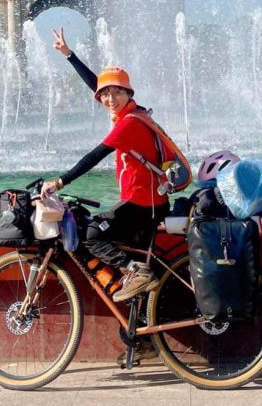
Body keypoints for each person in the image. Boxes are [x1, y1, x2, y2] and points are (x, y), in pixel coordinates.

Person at [41, 27, 171, 302]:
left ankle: (136, 272)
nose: (110, 99)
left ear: (128, 93)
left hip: (142, 206)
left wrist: (60, 181)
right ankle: (143, 336)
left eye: (117, 93)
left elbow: (95, 155)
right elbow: (96, 86)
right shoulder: (133, 112)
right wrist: (69, 55)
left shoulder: (129, 125)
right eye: (106, 94)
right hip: (145, 202)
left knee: (90, 233)